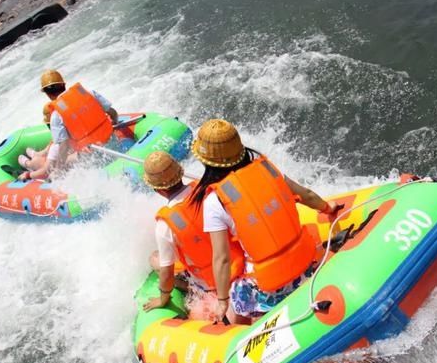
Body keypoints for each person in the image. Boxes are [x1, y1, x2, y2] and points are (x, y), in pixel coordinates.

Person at [190, 119, 341, 322]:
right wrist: (327, 208)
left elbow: (222, 259)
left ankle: (247, 328)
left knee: (234, 298)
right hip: (305, 267)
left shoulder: (214, 201)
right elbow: (307, 195)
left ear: (205, 161)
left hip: (268, 287)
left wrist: (223, 301)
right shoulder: (268, 170)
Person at [141, 151, 246, 320]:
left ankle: (190, 289)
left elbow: (167, 274)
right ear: (181, 173)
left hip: (213, 282)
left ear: (157, 190)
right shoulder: (210, 191)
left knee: (155, 259)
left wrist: (163, 299)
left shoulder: (164, 225)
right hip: (240, 262)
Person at [23, 69, 119, 180]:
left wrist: (58, 171)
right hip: (113, 144)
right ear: (63, 85)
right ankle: (34, 160)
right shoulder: (89, 93)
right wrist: (115, 123)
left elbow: (63, 147)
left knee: (58, 162)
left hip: (94, 159)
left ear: (48, 95)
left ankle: (32, 165)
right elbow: (112, 113)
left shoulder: (56, 115)